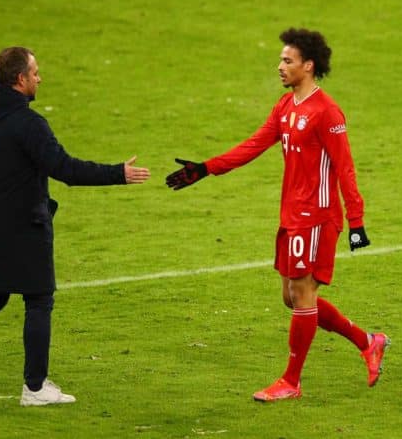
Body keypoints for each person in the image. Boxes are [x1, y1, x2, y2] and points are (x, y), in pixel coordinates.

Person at [166, 28, 389, 401]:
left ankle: (291, 382)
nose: (280, 67)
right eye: (281, 60)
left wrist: (357, 221)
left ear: (308, 66)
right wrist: (207, 168)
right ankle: (368, 342)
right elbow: (254, 144)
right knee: (292, 298)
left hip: (317, 216)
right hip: (291, 215)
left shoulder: (327, 111)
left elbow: (345, 167)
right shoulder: (285, 108)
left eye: (288, 61)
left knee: (303, 295)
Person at [0, 47, 150, 406]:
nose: (39, 78)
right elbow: (65, 169)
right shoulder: (27, 123)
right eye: (35, 72)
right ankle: (34, 388)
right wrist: (117, 174)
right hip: (24, 226)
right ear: (19, 79)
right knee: (39, 299)